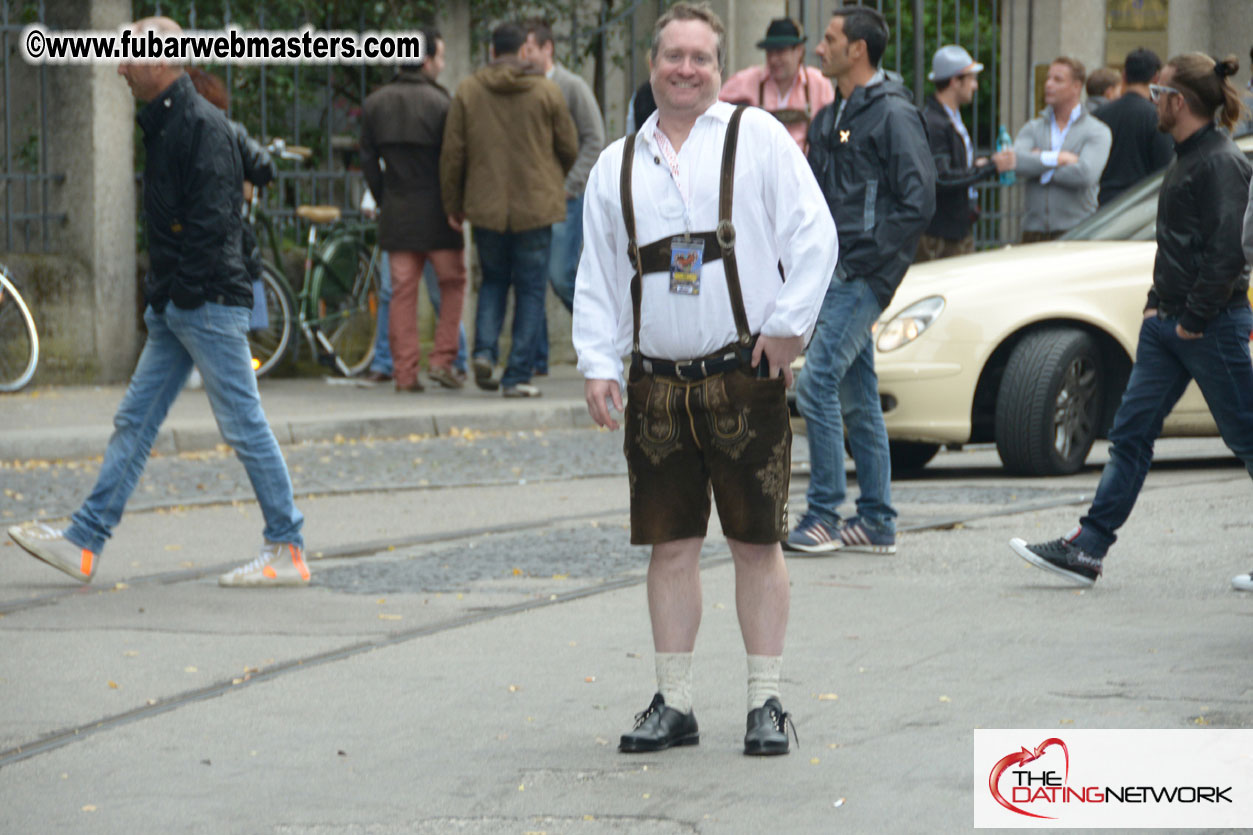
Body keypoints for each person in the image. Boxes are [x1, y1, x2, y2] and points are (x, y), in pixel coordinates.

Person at [574, 2, 837, 757]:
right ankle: (676, 702)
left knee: (756, 542)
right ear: (651, 65)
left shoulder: (755, 137)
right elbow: (599, 271)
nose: (684, 68)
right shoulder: (616, 164)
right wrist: (598, 360)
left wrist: (789, 325)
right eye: (672, 56)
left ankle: (764, 700)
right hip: (655, 384)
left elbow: (813, 233)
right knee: (671, 545)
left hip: (742, 374)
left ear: (719, 70)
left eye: (698, 57)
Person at [7, 17, 307, 588]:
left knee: (243, 424)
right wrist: (167, 300)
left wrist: (182, 295)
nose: (118, 66)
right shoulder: (172, 121)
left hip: (205, 302)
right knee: (136, 420)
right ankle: (84, 542)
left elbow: (213, 223)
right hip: (181, 304)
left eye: (128, 56)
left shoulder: (201, 125)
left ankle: (287, 546)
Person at [1010, 54, 1253, 591]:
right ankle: (1088, 550)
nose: (1152, 105)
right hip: (1170, 324)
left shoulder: (1221, 162)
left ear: (1178, 102)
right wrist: (1154, 302)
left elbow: (1229, 253)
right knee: (1130, 436)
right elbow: (1179, 246)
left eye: (1156, 95)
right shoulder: (1189, 155)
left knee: (1248, 438)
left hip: (1209, 325)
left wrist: (1190, 319)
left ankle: (1090, 545)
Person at [786, 6, 935, 554]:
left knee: (815, 382)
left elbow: (918, 198)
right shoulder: (832, 115)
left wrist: (867, 257)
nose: (817, 49)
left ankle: (824, 511)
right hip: (835, 270)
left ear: (858, 50)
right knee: (857, 395)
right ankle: (876, 520)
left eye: (828, 39)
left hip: (861, 273)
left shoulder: (891, 113)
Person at [440, 22, 578, 398]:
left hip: (486, 208)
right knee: (531, 290)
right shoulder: (546, 91)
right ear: (522, 53)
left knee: (494, 281)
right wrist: (550, 177)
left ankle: (484, 352)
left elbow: (453, 154)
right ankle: (517, 375)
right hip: (536, 206)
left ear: (490, 52)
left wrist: (453, 204)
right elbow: (569, 146)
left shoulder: (468, 91)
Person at [361, 28, 467, 392]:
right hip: (438, 213)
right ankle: (442, 358)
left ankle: (404, 374)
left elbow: (368, 162)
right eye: (439, 58)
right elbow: (454, 160)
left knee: (402, 295)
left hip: (398, 212)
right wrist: (455, 205)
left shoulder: (375, 103)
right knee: (453, 285)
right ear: (424, 61)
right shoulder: (441, 103)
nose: (441, 65)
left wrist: (383, 197)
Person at [520, 19, 606, 377]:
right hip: (529, 200)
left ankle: (606, 332)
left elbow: (594, 138)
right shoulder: (522, 88)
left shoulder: (571, 87)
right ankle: (535, 359)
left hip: (565, 198)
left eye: (529, 49)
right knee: (530, 277)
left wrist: (571, 185)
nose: (523, 56)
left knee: (559, 275)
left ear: (546, 48)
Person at [183, 68, 277, 391]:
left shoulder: (177, 131)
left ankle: (204, 368)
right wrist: (244, 179)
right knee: (230, 304)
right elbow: (265, 167)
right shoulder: (229, 130)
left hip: (192, 233)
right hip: (229, 231)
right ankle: (230, 371)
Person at [916, 45, 1015, 261]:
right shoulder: (935, 122)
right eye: (971, 79)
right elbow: (941, 178)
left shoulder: (950, 117)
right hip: (941, 236)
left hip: (954, 230)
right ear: (955, 81)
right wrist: (991, 167)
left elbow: (950, 170)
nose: (976, 86)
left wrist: (977, 167)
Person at [359, 191, 469, 385]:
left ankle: (452, 361)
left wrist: (379, 195)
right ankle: (388, 363)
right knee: (399, 292)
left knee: (405, 292)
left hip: (412, 214)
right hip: (422, 215)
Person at [1011, 57, 1112, 242]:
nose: (1048, 84)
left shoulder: (1097, 131)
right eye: (1048, 78)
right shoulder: (1033, 128)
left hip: (1077, 232)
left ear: (1076, 87)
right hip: (1033, 233)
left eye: (1057, 80)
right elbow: (1016, 162)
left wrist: (1039, 167)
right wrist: (1059, 159)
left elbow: (1085, 174)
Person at [718, 17, 835, 153]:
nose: (773, 59)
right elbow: (714, 112)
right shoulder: (744, 81)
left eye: (780, 52)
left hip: (806, 170)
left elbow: (831, 130)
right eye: (769, 52)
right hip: (760, 170)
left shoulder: (818, 83)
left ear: (799, 51)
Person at [1093, 48, 1174, 206]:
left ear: (1124, 75)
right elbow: (1165, 169)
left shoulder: (1098, 114)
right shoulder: (1156, 117)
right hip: (1139, 208)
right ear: (1156, 78)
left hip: (1102, 209)